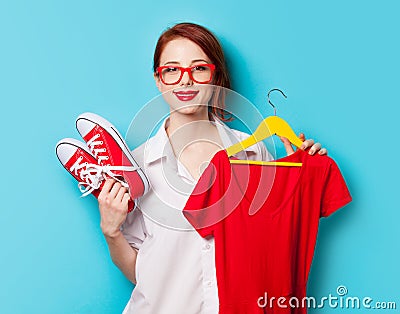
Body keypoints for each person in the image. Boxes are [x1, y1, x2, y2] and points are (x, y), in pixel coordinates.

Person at [96, 22, 327, 314]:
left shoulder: (254, 153)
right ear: (158, 79)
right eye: (171, 70)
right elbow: (138, 273)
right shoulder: (137, 167)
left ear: (215, 75)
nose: (185, 81)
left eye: (199, 68)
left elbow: (272, 251)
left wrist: (297, 173)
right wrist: (111, 231)